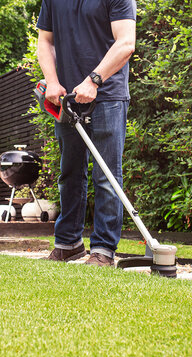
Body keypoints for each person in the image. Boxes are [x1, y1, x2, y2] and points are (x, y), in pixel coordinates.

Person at [37, 0, 136, 267]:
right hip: (67, 98)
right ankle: (68, 243)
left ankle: (103, 249)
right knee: (69, 171)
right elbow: (45, 41)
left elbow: (126, 42)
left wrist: (94, 79)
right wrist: (53, 82)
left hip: (108, 95)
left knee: (106, 174)